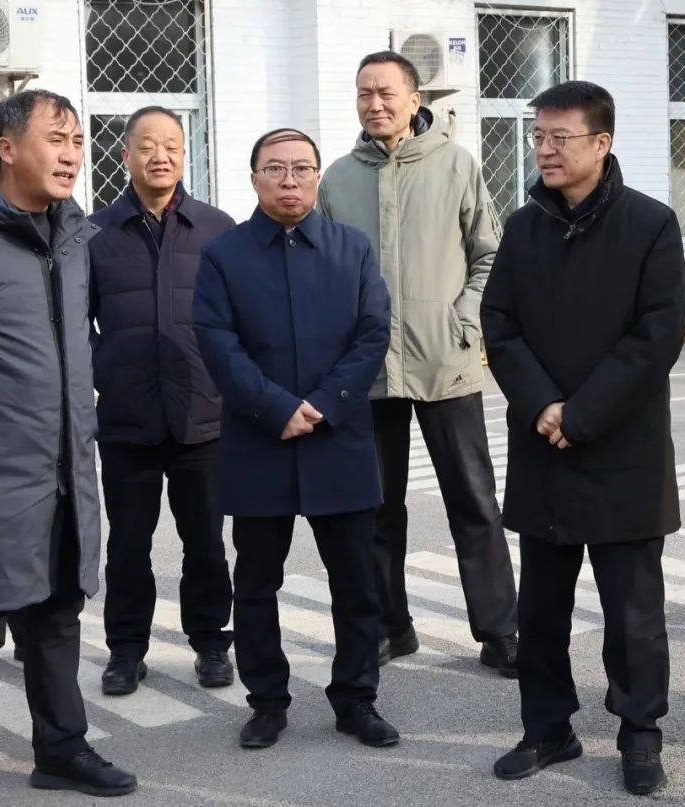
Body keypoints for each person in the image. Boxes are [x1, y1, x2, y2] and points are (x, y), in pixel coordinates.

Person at [482, 81, 685, 796]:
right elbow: (499, 324)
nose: (544, 149)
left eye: (559, 137)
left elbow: (657, 336)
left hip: (623, 450)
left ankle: (640, 733)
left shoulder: (651, 224)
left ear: (601, 143)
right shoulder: (522, 227)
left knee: (634, 613)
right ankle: (547, 728)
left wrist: (581, 414)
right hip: (544, 449)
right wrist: (543, 406)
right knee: (541, 609)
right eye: (538, 136)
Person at [0, 90, 136, 805]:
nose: (71, 154)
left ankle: (62, 748)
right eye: (56, 139)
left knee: (57, 614)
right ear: (7, 147)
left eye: (78, 140)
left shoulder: (71, 234)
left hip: (65, 468)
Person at [193, 127, 398, 751]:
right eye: (276, 169)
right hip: (260, 439)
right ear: (254, 177)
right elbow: (216, 341)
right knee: (257, 585)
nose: (290, 180)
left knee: (357, 583)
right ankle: (266, 701)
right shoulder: (224, 255)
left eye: (302, 169)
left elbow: (373, 333)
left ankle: (356, 699)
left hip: (340, 439)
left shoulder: (352, 249)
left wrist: (325, 405)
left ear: (317, 176)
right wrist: (277, 408)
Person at [317, 51, 518, 675]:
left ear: (414, 99)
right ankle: (391, 626)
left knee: (474, 502)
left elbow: (490, 254)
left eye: (386, 93)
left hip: (444, 362)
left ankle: (499, 630)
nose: (374, 104)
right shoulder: (338, 179)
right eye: (364, 94)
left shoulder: (456, 165)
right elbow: (323, 272)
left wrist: (463, 320)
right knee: (377, 507)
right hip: (368, 371)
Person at [88, 106, 235, 696]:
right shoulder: (95, 234)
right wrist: (106, 368)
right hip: (128, 418)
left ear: (185, 153)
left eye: (172, 144)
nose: (161, 155)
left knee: (205, 543)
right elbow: (76, 321)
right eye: (147, 145)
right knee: (128, 546)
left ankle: (211, 643)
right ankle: (126, 651)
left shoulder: (216, 229)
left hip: (202, 415)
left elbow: (237, 317)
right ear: (125, 155)